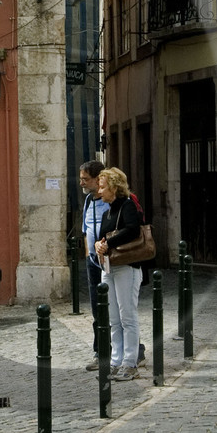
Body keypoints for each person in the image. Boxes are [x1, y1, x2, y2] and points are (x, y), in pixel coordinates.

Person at [93, 167, 144, 381]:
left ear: (114, 187)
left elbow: (133, 229)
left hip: (127, 267)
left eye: (103, 187)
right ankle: (116, 360)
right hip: (110, 268)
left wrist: (107, 242)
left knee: (127, 317)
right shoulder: (107, 211)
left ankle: (130, 362)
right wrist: (98, 244)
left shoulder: (127, 206)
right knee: (114, 318)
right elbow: (102, 236)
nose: (99, 191)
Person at [75, 160, 110, 371]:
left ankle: (129, 349)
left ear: (98, 179)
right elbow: (87, 231)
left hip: (110, 261)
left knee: (115, 308)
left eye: (85, 179)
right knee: (97, 309)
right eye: (80, 179)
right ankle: (100, 352)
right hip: (92, 263)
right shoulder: (88, 201)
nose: (81, 183)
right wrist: (89, 258)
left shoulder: (112, 200)